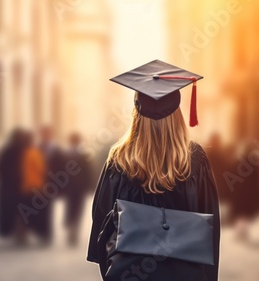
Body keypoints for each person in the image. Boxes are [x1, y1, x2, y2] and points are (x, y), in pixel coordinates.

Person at [88, 60, 220, 281]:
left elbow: (102, 227)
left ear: (136, 113)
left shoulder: (118, 160)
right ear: (177, 115)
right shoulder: (195, 160)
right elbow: (210, 226)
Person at [0, 128, 28, 240]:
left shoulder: (12, 150)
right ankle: (19, 231)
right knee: (20, 210)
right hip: (17, 186)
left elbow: (0, 167)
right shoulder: (22, 150)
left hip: (14, 186)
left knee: (17, 210)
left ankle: (19, 231)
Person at [63, 132, 93, 247]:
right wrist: (90, 186)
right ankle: (74, 229)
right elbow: (88, 172)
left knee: (70, 207)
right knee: (78, 208)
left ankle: (71, 228)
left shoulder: (66, 154)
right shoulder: (84, 155)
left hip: (69, 187)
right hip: (80, 187)